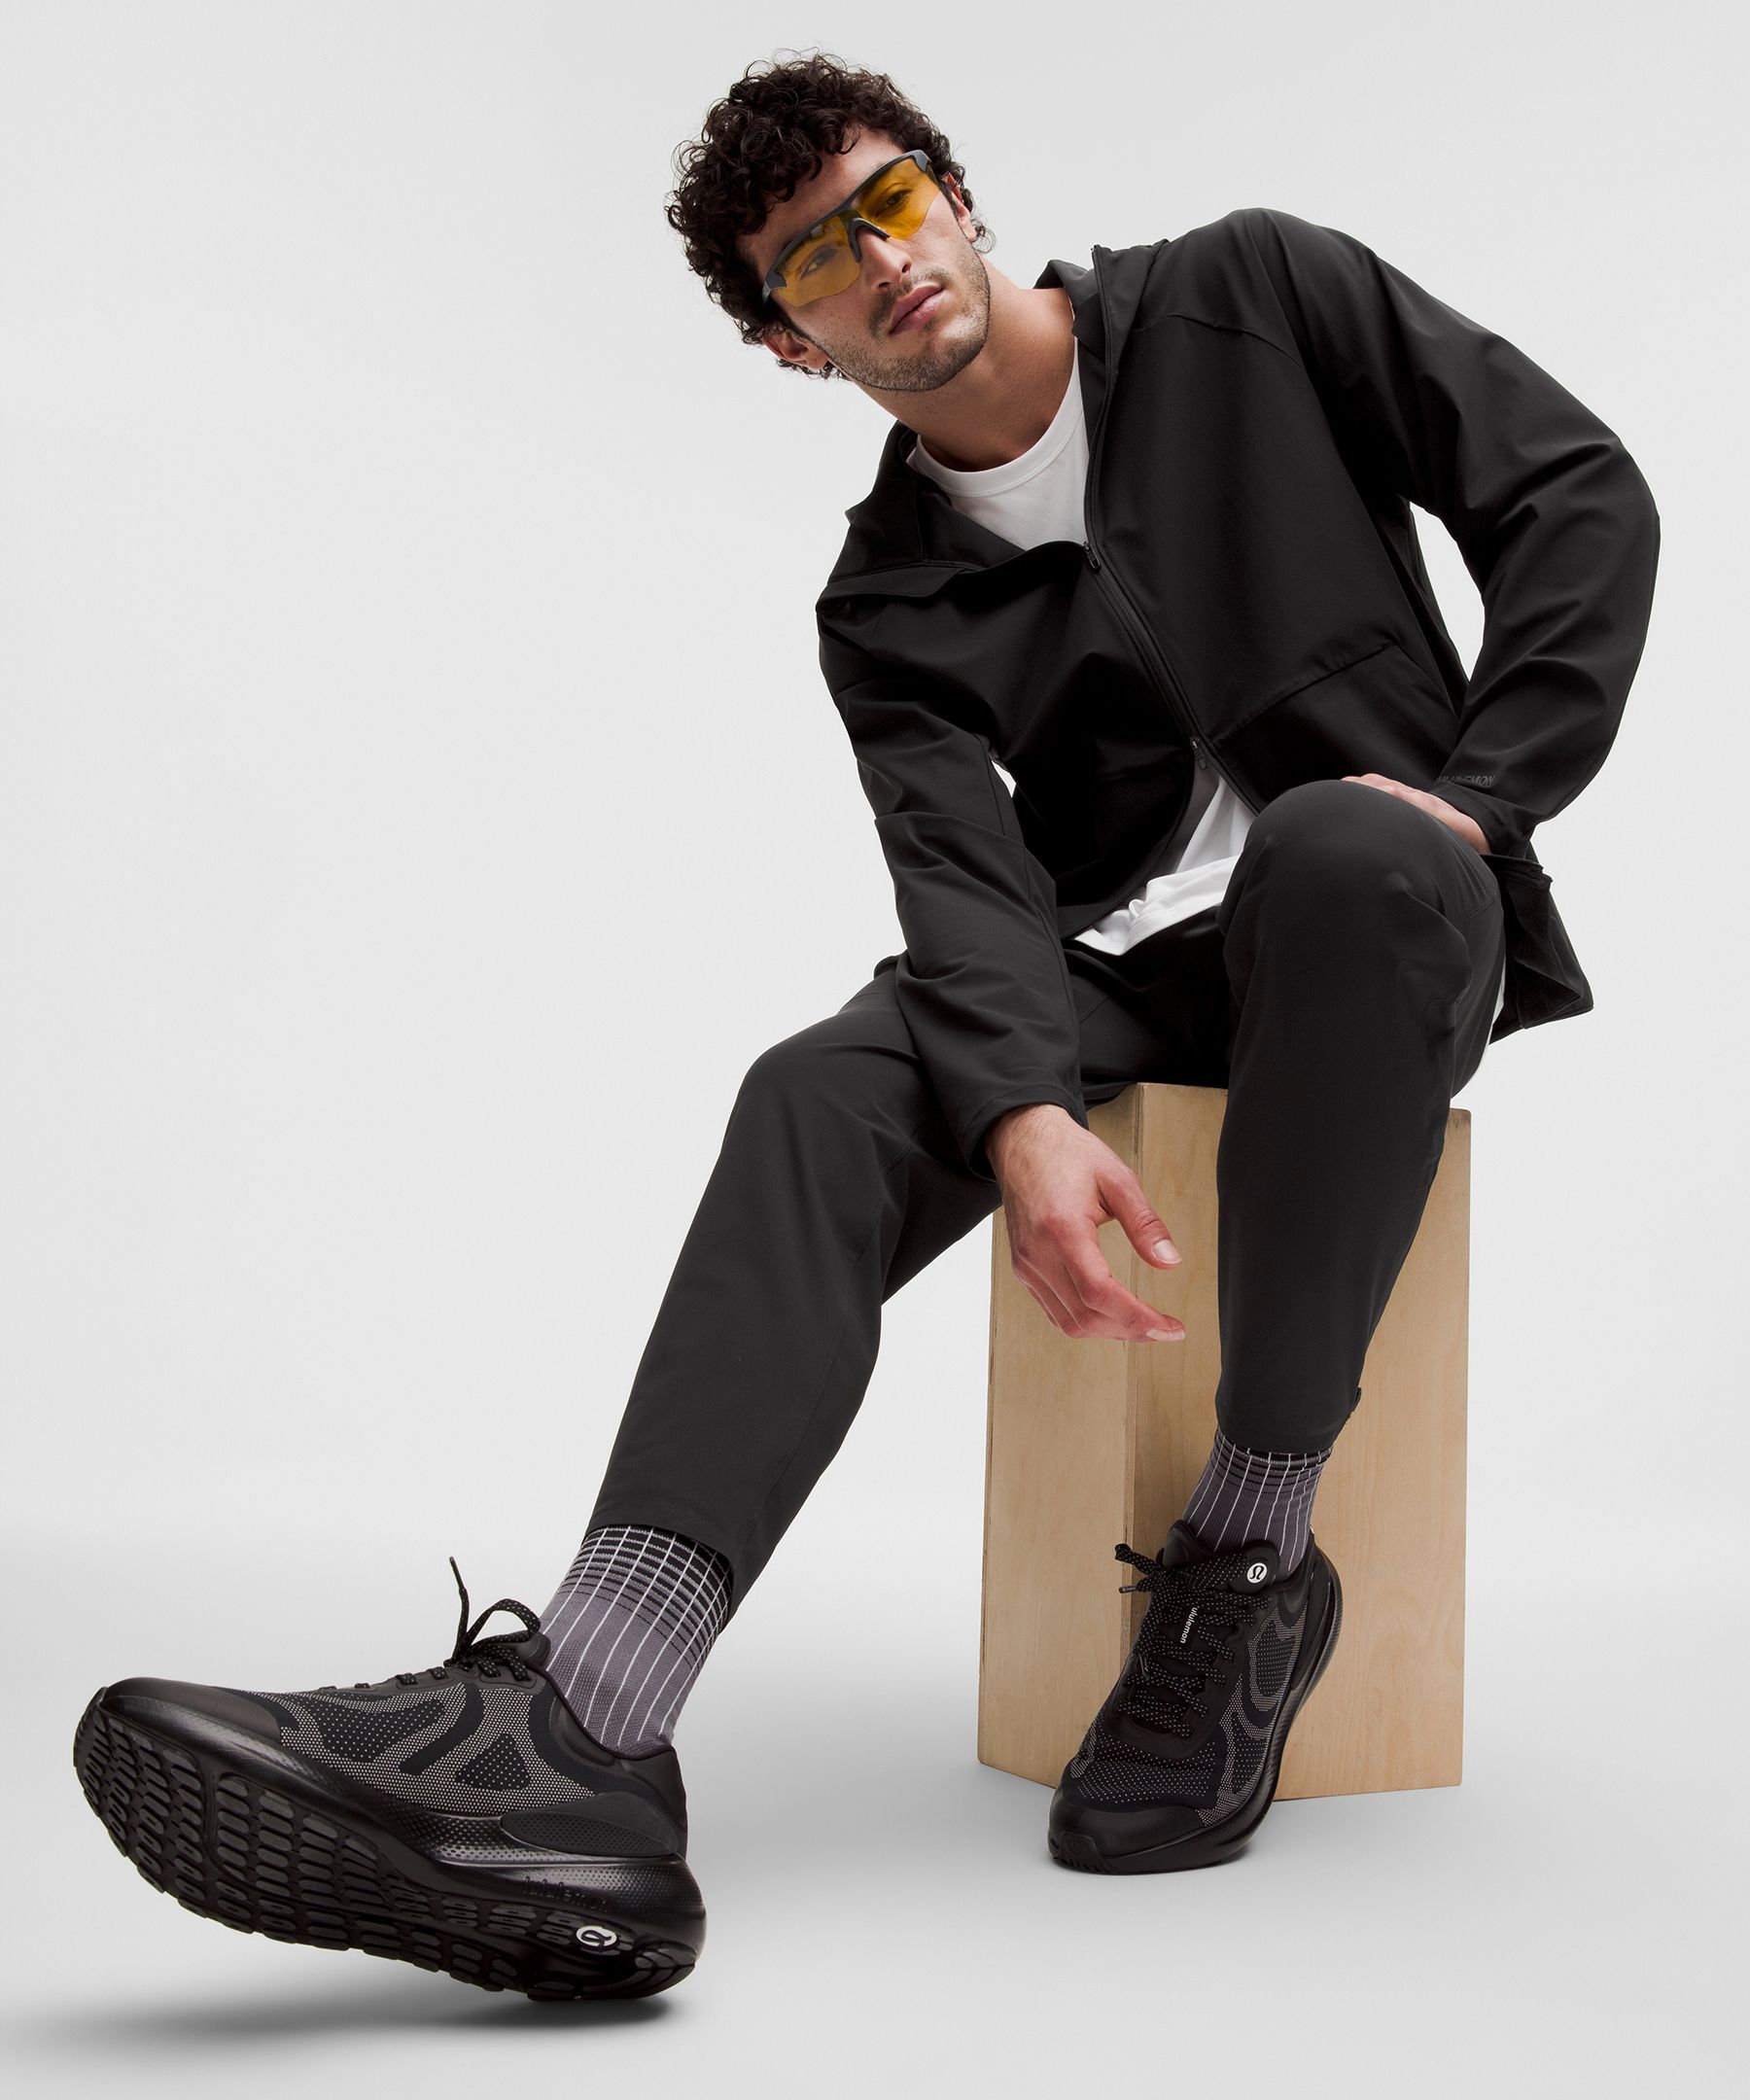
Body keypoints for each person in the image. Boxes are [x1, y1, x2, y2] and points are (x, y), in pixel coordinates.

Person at [72, 52, 1661, 1999]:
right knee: (818, 1093)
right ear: (788, 343)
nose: (880, 260)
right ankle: (583, 1731)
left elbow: (1572, 488)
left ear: (959, 197)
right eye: (817, 259)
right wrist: (1017, 1108)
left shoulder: (1252, 292)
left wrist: (1479, 800)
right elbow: (963, 880)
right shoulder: (887, 599)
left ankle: (1253, 1561)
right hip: (1117, 975)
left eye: (891, 204)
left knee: (1339, 844)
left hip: (1380, 921)